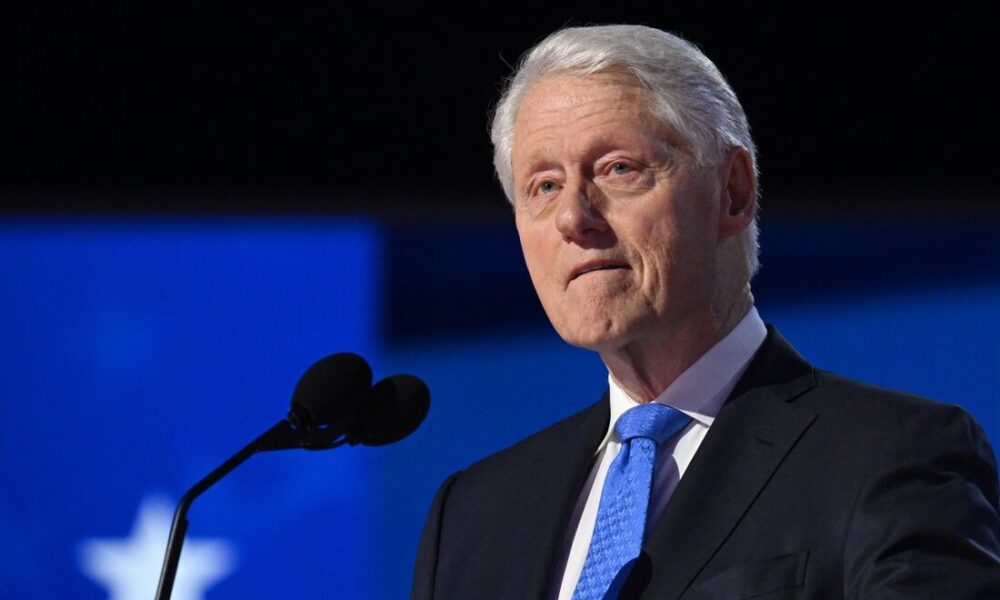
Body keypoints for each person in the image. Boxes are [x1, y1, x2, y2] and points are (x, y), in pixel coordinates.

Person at [410, 24, 1000, 599]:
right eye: (543, 186)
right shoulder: (472, 516)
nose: (572, 217)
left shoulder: (891, 457)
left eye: (618, 169)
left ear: (733, 193)